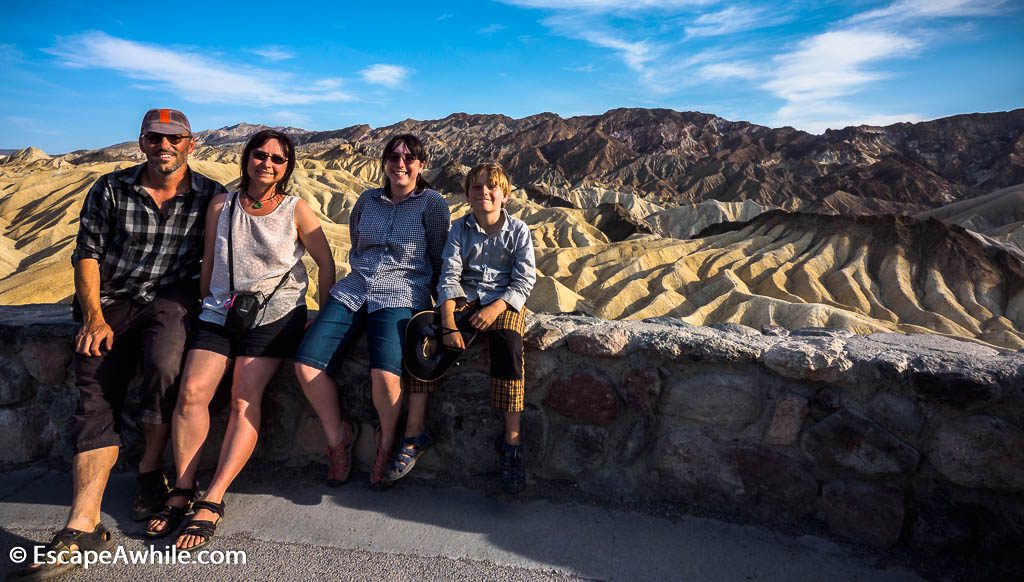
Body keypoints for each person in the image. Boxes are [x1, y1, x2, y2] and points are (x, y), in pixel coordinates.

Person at [15, 109, 226, 580]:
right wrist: (92, 317)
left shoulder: (212, 196)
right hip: (112, 299)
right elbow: (86, 253)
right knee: (94, 389)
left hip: (171, 299)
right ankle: (81, 523)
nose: (163, 146)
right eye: (155, 137)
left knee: (165, 366)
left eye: (173, 139)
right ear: (141, 142)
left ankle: (151, 471)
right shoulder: (111, 188)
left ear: (191, 144)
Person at [141, 130, 335, 550]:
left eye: (278, 159)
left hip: (276, 316)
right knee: (191, 392)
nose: (267, 163)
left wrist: (320, 316)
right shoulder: (220, 205)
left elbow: (325, 261)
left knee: (245, 395)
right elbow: (210, 259)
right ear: (246, 158)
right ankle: (183, 487)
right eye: (260, 155)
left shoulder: (296, 210)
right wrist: (204, 305)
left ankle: (213, 497)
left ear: (288, 167)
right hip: (220, 312)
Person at [294, 134, 451, 490]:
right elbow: (356, 245)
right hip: (354, 288)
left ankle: (387, 440)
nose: (400, 163)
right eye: (393, 156)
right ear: (384, 161)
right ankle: (339, 438)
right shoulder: (367, 200)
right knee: (305, 365)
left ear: (422, 164)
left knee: (385, 377)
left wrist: (445, 310)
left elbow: (441, 258)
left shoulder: (432, 204)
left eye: (410, 158)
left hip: (401, 293)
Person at [433, 162, 536, 494]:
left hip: (503, 302)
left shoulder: (519, 231)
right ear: (467, 195)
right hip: (466, 298)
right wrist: (448, 322)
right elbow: (449, 276)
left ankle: (512, 443)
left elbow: (524, 280)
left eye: (492, 187)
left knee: (508, 346)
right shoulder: (458, 229)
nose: (484, 193)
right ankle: (414, 432)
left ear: (505, 195)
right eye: (476, 187)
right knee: (424, 343)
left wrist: (496, 308)